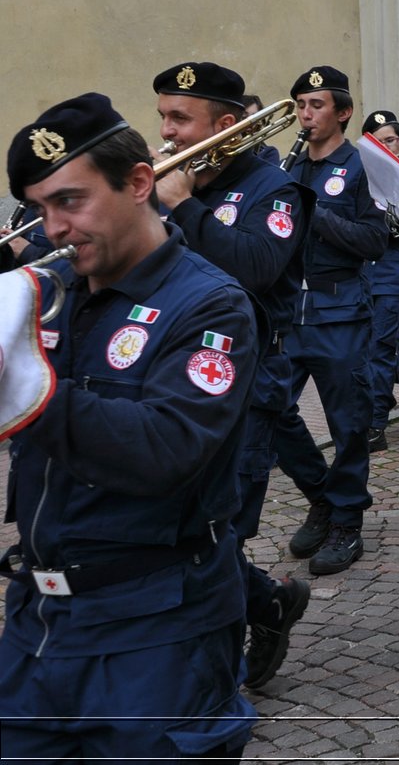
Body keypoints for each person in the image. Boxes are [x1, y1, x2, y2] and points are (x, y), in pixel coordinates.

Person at [0, 94, 258, 760]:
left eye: (71, 201)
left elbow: (165, 446)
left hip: (156, 637)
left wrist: (29, 390)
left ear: (140, 182)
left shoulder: (210, 304)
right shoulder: (47, 292)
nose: (52, 227)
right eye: (39, 207)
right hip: (37, 627)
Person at [152, 63, 317, 691]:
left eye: (179, 119)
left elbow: (255, 267)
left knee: (224, 524)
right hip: (170, 373)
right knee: (182, 521)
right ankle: (270, 600)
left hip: (246, 376)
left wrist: (184, 207)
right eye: (163, 116)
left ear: (226, 126)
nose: (165, 132)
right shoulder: (168, 181)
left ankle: (209, 685)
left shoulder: (273, 190)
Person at [282, 66, 389, 575]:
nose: (306, 114)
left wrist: (314, 215)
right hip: (288, 313)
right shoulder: (290, 167)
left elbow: (375, 242)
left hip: (340, 309)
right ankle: (321, 496)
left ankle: (346, 521)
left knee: (348, 424)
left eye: (316, 104)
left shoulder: (362, 166)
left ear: (342, 111)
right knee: (269, 408)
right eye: (301, 104)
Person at [361, 110, 399, 452]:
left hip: (393, 275)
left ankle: (374, 425)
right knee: (372, 350)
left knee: (380, 350)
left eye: (390, 140)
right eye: (376, 142)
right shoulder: (363, 176)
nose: (384, 146)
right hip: (364, 274)